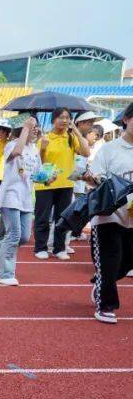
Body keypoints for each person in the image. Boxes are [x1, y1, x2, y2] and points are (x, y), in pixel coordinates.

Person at [87, 103, 133, 324]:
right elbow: (96, 176)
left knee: (127, 262)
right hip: (109, 215)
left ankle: (102, 281)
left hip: (132, 218)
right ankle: (106, 305)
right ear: (126, 119)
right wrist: (95, 179)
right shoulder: (109, 149)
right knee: (110, 261)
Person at [0, 116, 40, 286]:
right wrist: (26, 129)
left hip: (26, 198)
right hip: (10, 195)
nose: (35, 130)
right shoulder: (11, 145)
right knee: (14, 234)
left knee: (24, 237)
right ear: (22, 129)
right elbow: (16, 152)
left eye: (36, 127)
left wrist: (47, 177)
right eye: (32, 127)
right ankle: (4, 273)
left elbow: (37, 173)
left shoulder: (34, 149)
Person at [35, 107, 90, 260]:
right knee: (43, 217)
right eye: (61, 117)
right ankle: (40, 247)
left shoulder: (71, 138)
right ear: (53, 120)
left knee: (62, 218)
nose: (64, 120)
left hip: (66, 184)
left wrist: (76, 131)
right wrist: (42, 149)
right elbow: (40, 163)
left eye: (67, 117)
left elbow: (86, 152)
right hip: (46, 183)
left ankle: (59, 248)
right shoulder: (45, 138)